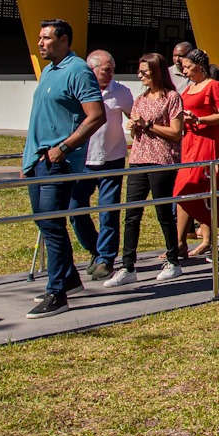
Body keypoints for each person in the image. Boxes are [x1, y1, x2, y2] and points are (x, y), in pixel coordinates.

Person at [21, 20, 106, 319]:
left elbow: (96, 116)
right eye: (39, 37)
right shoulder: (48, 71)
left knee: (53, 224)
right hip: (38, 163)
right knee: (45, 223)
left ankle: (57, 292)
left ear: (64, 40)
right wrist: (29, 159)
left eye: (46, 38)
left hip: (58, 163)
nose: (40, 43)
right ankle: (68, 279)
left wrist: (65, 148)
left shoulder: (78, 70)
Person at [106, 53, 186, 288]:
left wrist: (148, 125)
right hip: (139, 159)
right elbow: (136, 130)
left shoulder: (172, 98)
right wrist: (133, 126)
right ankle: (128, 265)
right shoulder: (140, 99)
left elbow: (176, 133)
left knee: (163, 212)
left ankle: (173, 260)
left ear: (156, 71)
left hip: (162, 161)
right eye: (139, 71)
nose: (140, 75)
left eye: (144, 71)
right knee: (131, 214)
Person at [68, 49, 131, 282]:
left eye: (113, 68)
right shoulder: (79, 89)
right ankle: (95, 248)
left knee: (108, 211)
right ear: (92, 70)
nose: (111, 72)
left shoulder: (121, 92)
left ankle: (106, 259)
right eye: (106, 69)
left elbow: (134, 116)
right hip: (83, 160)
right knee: (75, 209)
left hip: (112, 158)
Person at [173, 48, 219, 259]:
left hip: (207, 143)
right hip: (189, 143)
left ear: (200, 66)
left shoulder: (214, 86)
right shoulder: (189, 88)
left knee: (202, 188)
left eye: (188, 67)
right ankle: (180, 242)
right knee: (184, 189)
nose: (186, 71)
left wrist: (198, 119)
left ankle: (207, 239)